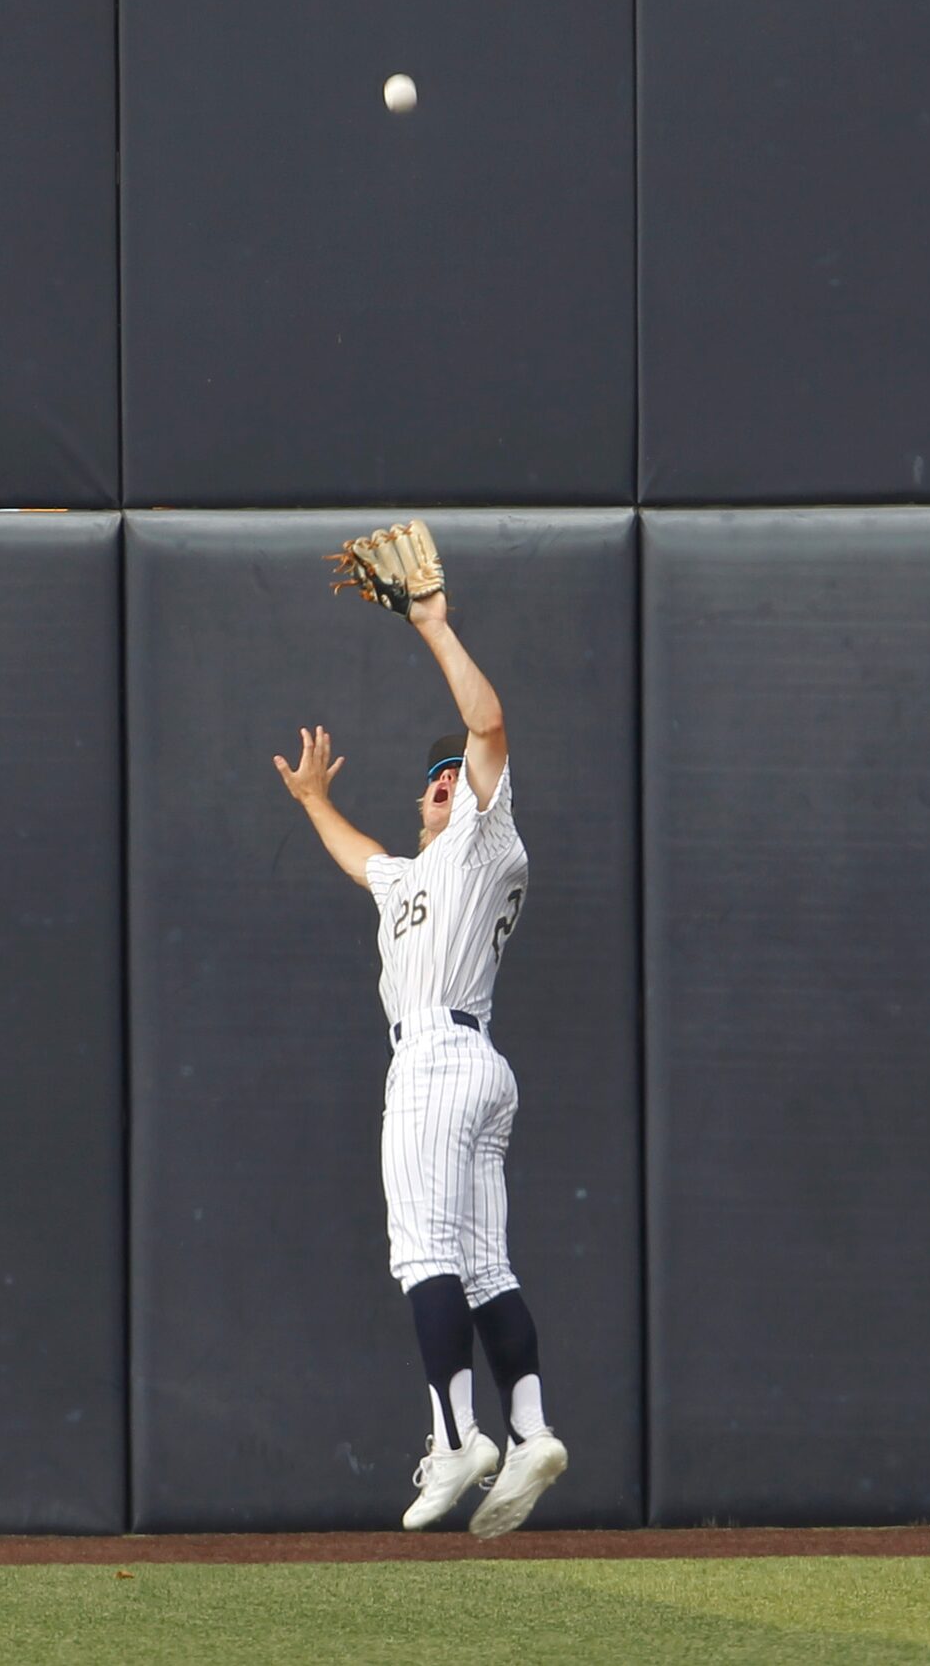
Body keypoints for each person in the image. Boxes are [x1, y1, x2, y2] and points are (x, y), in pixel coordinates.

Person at [273, 588, 567, 1537]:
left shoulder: (484, 843)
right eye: (434, 780)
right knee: (484, 1266)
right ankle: (529, 1434)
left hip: (441, 1059)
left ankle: (455, 1440)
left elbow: (486, 723)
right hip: (477, 1068)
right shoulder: (413, 871)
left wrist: (434, 626)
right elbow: (362, 858)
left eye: (456, 778)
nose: (445, 783)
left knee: (424, 1255)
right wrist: (318, 801)